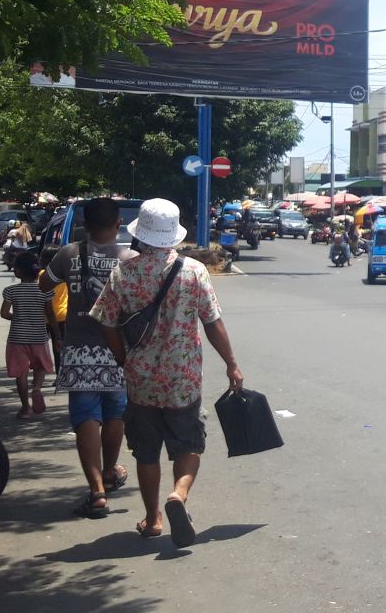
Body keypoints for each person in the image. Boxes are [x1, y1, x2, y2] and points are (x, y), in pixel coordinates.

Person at [91, 198, 242, 547]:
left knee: (146, 451)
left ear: (141, 233)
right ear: (173, 235)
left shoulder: (124, 273)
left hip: (140, 380)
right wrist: (232, 364)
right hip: (183, 378)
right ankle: (179, 495)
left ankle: (153, 518)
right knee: (189, 443)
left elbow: (106, 323)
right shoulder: (193, 271)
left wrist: (123, 357)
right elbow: (212, 322)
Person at [42, 197, 138, 518]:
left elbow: (45, 284)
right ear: (118, 225)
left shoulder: (68, 254)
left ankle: (97, 492)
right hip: (117, 350)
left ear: (84, 224)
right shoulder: (129, 258)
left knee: (86, 417)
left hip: (79, 349)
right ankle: (110, 471)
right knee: (115, 414)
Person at [1, 251, 56, 419]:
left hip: (18, 337)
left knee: (21, 373)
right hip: (39, 336)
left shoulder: (11, 291)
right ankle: (37, 388)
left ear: (17, 272)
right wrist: (58, 336)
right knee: (39, 366)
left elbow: (4, 313)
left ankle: (25, 408)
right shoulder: (44, 291)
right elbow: (51, 315)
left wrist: (16, 317)